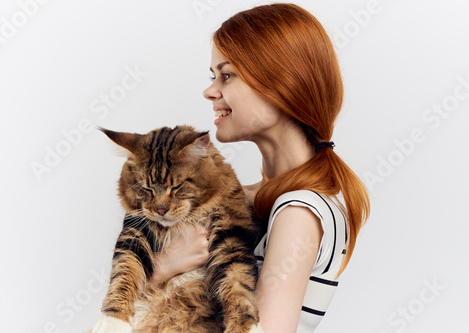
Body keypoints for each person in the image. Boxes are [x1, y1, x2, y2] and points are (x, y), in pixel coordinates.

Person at [149, 3, 370, 332]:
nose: (210, 91)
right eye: (213, 77)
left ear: (282, 84)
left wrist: (160, 269)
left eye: (227, 75)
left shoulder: (300, 210)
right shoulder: (255, 200)